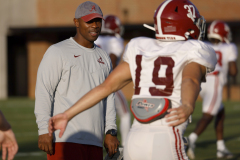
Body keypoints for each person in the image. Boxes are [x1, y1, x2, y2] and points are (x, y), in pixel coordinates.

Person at [48, 0, 217, 159]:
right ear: (184, 24)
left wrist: (67, 114)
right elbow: (190, 79)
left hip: (134, 140)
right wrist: (187, 104)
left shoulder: (140, 47)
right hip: (165, 137)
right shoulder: (195, 49)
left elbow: (105, 87)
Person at [34, 1, 119, 160]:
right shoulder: (57, 51)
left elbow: (109, 97)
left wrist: (110, 131)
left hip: (95, 140)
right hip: (65, 138)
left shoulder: (104, 57)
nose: (94, 25)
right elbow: (44, 91)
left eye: (98, 21)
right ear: (76, 22)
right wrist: (43, 130)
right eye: (89, 21)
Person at [187, 20, 238, 159]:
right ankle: (191, 140)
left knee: (220, 112)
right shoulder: (229, 47)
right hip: (215, 81)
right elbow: (233, 71)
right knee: (209, 114)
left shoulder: (204, 45)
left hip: (202, 81)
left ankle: (221, 148)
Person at [95, 14, 131, 147]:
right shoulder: (115, 41)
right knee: (125, 114)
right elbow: (112, 61)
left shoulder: (96, 38)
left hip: (92, 82)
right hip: (106, 82)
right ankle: (127, 147)